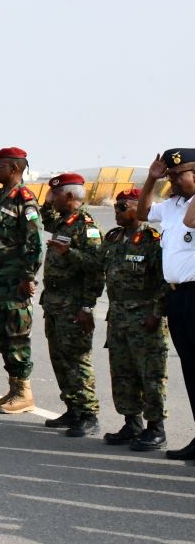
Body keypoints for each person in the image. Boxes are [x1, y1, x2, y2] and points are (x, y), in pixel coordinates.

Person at [101, 189, 170, 450]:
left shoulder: (153, 241)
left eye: (121, 206)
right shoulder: (114, 238)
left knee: (151, 375)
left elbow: (166, 281)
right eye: (115, 206)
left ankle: (156, 429)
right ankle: (132, 424)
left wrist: (156, 313)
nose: (116, 211)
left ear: (138, 208)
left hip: (145, 318)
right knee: (122, 373)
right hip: (118, 316)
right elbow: (98, 268)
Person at [139, 148, 195, 460]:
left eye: (177, 175)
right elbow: (143, 213)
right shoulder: (172, 204)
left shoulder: (188, 207)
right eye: (169, 175)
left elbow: (192, 220)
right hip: (177, 296)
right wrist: (151, 179)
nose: (171, 180)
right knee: (190, 369)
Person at [0, 147, 43, 414]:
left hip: (14, 278)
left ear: (15, 169)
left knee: (17, 335)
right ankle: (14, 387)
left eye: (0, 167)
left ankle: (24, 392)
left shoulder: (24, 200)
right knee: (5, 336)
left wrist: (28, 276)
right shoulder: (2, 196)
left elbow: (35, 242)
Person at [40, 173, 105, 437]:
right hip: (55, 302)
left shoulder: (86, 226)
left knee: (77, 360)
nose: (51, 200)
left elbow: (96, 266)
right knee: (59, 358)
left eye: (55, 195)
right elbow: (45, 218)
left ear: (68, 196)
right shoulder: (63, 222)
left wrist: (87, 307)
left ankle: (89, 414)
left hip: (74, 304)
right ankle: (73, 408)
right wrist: (47, 197)